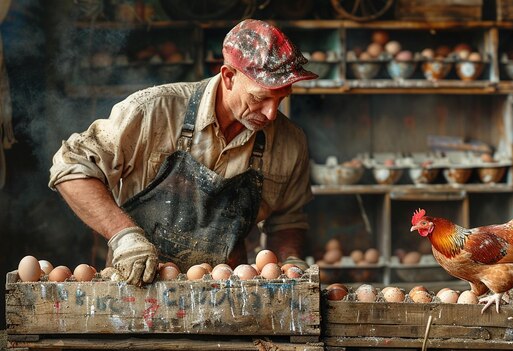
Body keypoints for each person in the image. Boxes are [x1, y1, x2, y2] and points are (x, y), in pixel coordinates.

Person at [49, 19, 318, 286]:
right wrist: (124, 236)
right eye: (260, 98)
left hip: (227, 303)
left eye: (281, 98)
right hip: (138, 293)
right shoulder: (155, 111)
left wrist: (289, 262)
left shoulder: (289, 142)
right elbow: (71, 166)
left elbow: (287, 219)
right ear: (228, 77)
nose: (272, 114)